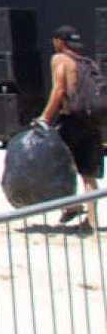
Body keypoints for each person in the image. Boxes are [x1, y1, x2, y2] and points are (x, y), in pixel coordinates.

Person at [40, 25, 99, 233]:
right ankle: (91, 222)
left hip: (71, 119)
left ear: (59, 42)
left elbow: (59, 90)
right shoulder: (88, 62)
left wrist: (45, 118)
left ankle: (72, 205)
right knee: (88, 173)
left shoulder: (59, 59)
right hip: (91, 120)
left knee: (55, 162)